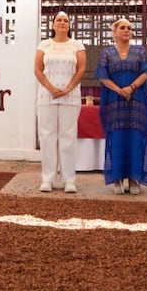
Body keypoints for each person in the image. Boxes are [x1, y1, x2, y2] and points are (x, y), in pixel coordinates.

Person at [96, 17, 147, 195]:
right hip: (115, 101)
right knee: (117, 138)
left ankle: (135, 178)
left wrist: (131, 88)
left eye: (129, 28)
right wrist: (119, 90)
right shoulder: (107, 53)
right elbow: (102, 76)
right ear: (114, 32)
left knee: (135, 137)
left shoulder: (139, 51)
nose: (127, 30)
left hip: (136, 101)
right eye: (122, 28)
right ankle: (118, 178)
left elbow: (146, 72)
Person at [34, 11, 86, 193]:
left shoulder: (77, 45)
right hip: (46, 97)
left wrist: (68, 88)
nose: (62, 23)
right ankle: (48, 179)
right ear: (52, 24)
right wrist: (51, 88)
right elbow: (38, 69)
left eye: (66, 20)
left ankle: (68, 179)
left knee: (68, 137)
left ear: (69, 25)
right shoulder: (44, 45)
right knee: (47, 137)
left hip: (70, 97)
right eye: (59, 20)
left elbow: (81, 69)